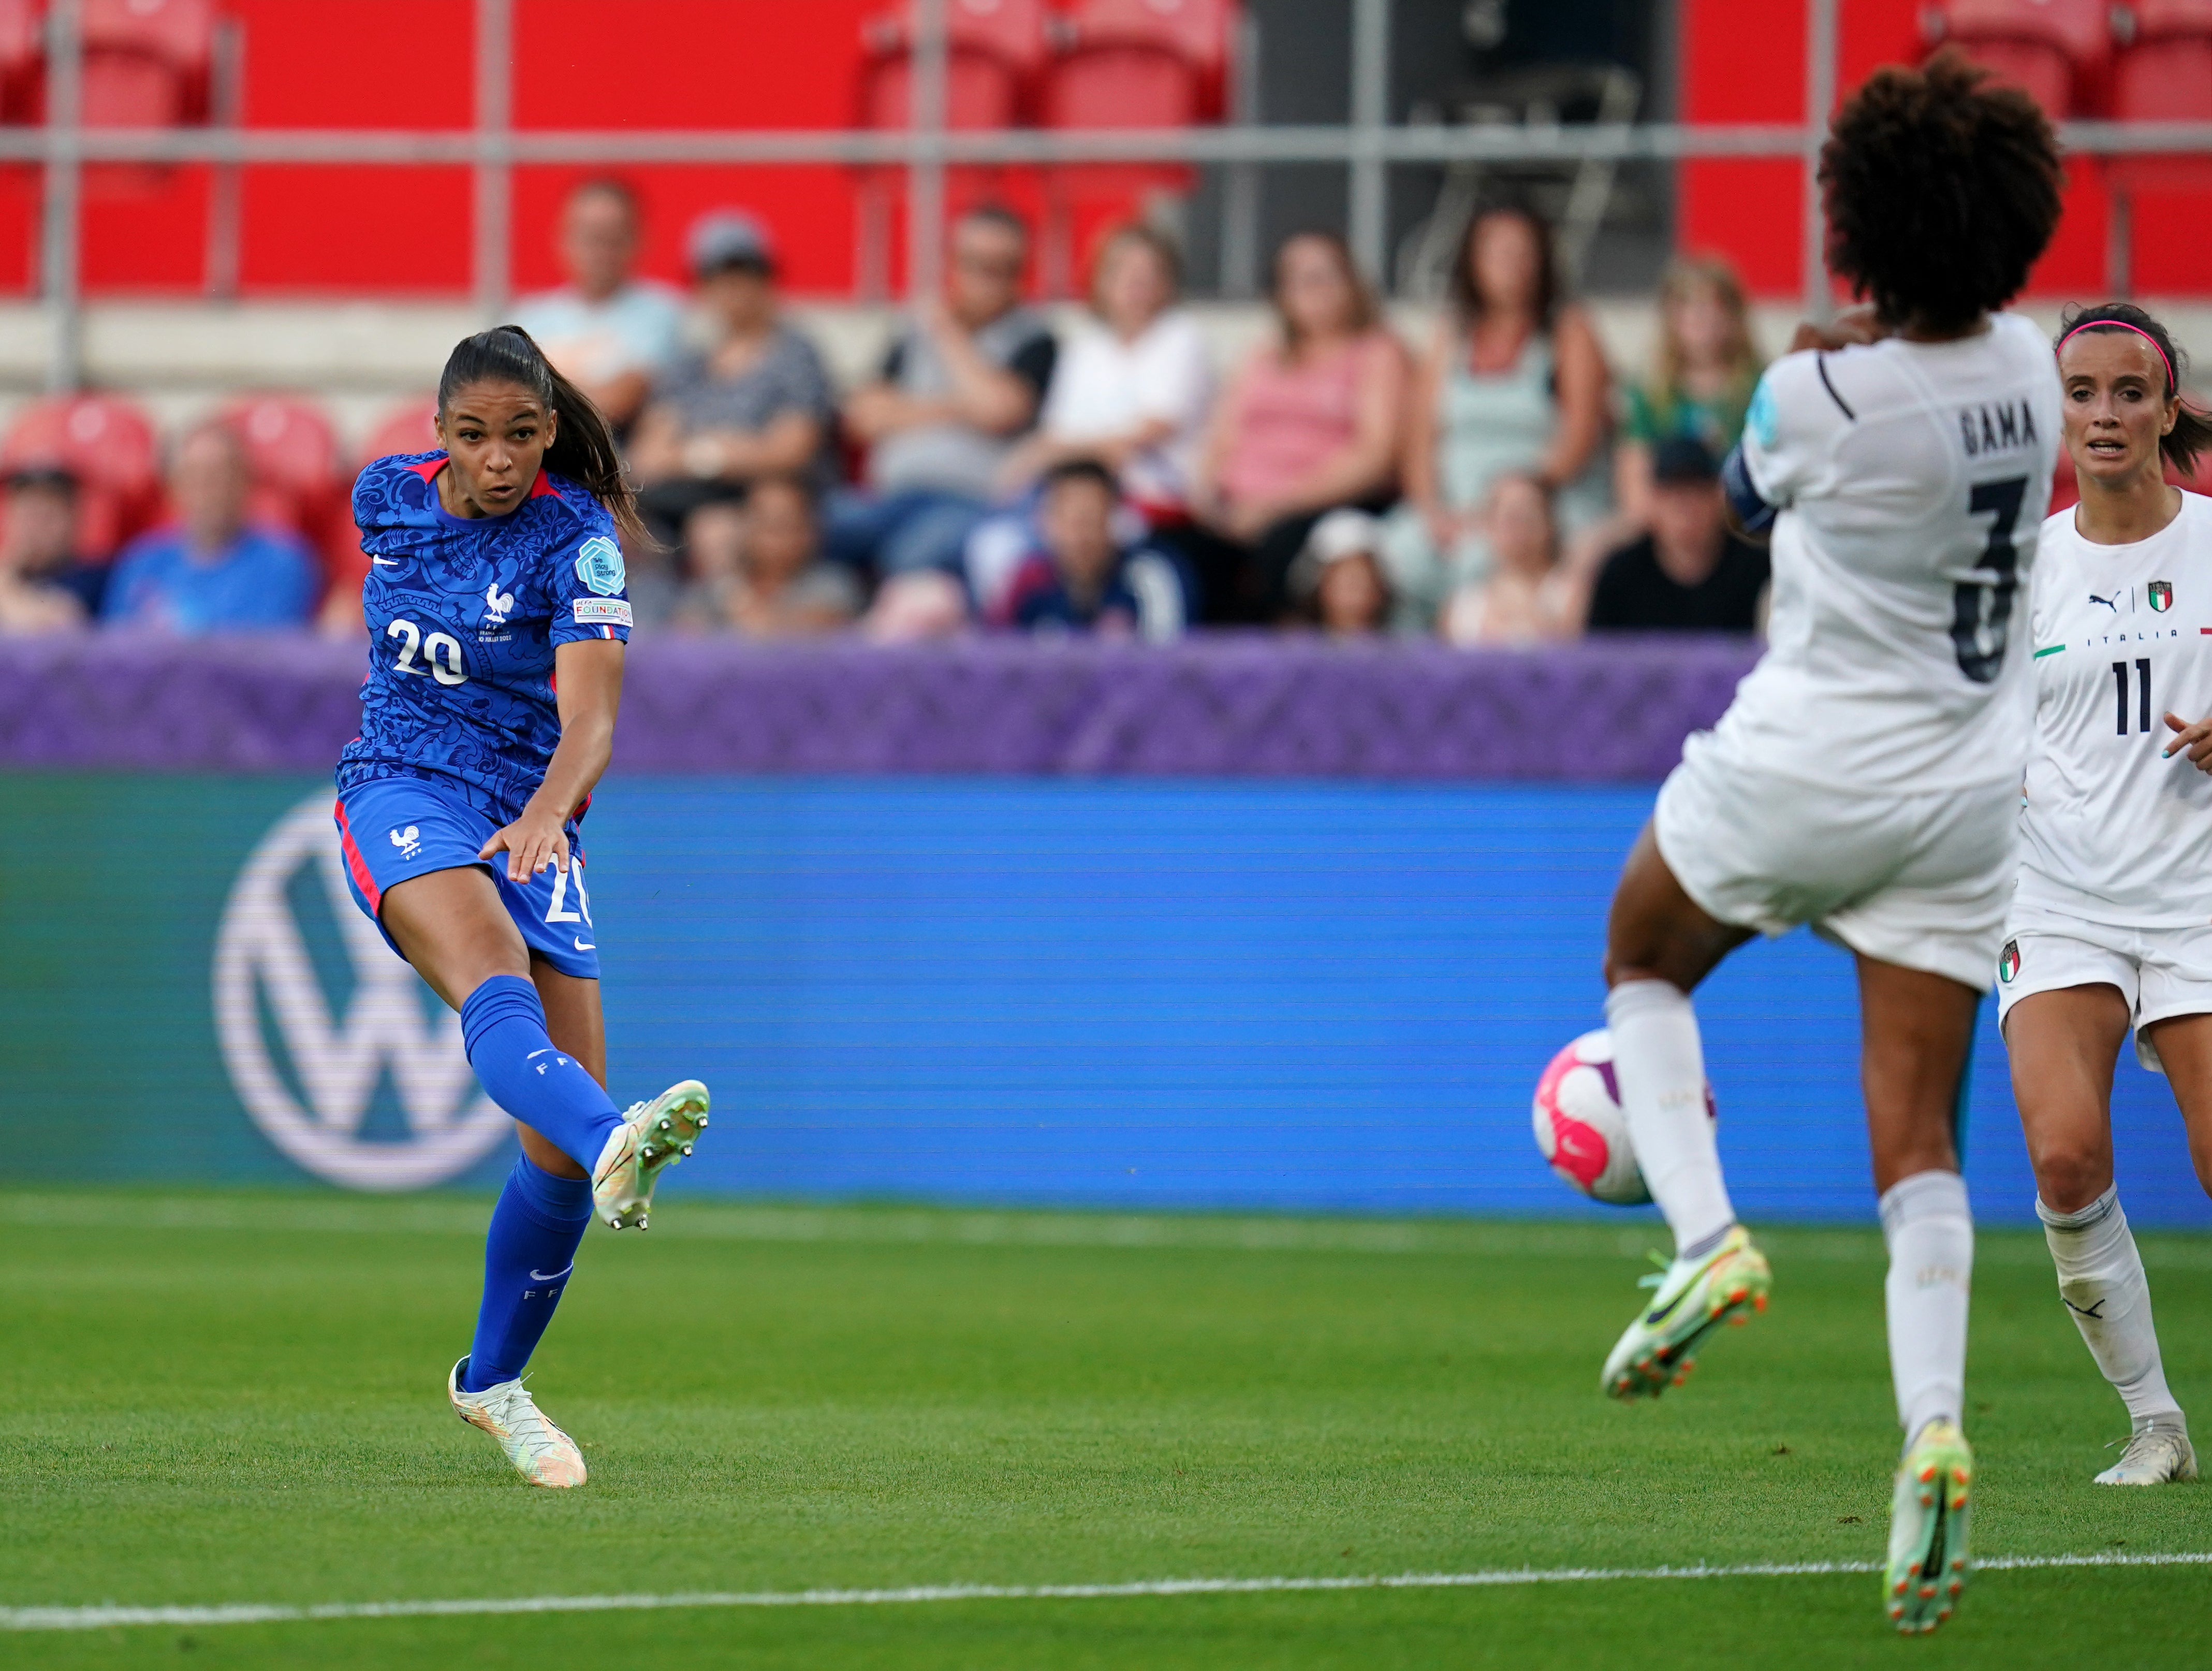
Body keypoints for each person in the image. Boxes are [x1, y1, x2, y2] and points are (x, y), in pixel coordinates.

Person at [1588, 53, 2062, 1634]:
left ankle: (1706, 1235)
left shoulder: (1811, 391)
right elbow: (1947, 379)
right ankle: (1929, 1428)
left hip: (1806, 760)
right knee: (1913, 1134)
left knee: (1641, 954)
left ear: (1855, 225)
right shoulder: (2030, 365)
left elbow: (1731, 502)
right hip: (1963, 791)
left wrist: (1813, 362)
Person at [338, 325, 710, 1490]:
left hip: (532, 811)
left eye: (520, 434)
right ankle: (620, 1140)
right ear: (437, 433)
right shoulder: (383, 499)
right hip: (401, 788)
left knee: (546, 1154)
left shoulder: (577, 542)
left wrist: (552, 810)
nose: (496, 458)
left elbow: (593, 721)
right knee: (497, 980)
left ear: (550, 432)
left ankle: (492, 1383)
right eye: (471, 435)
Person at [1997, 302, 2212, 1490]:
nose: (2103, 415)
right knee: (2066, 1158)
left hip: (2199, 891)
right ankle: (2155, 1424)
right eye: (2080, 394)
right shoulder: (2021, 571)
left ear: (2166, 407)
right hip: (2061, 894)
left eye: (2127, 393)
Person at [1381, 201, 1610, 628]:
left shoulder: (1569, 329)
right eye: (1497, 253)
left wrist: (1506, 504)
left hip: (1542, 504)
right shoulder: (1449, 336)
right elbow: (1418, 440)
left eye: (1522, 253)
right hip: (1456, 508)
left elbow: (1578, 438)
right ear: (1472, 262)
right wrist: (1433, 510)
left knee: (1479, 559)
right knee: (1397, 553)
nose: (1511, 266)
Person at [1186, 231, 1405, 620]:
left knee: (1282, 549)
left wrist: (1274, 506)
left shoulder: (1377, 352)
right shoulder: (1262, 355)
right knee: (1188, 554)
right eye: (1300, 279)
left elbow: (1375, 456)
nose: (1314, 290)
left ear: (1352, 284)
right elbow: (1222, 437)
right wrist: (1205, 498)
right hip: (1241, 508)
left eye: (1325, 276)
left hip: (1325, 505)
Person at [832, 205, 1058, 577]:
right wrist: (962, 408)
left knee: (910, 556)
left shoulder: (1035, 339)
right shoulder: (913, 333)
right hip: (889, 496)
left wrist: (948, 333)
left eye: (1001, 267)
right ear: (951, 263)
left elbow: (1000, 412)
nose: (987, 279)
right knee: (807, 531)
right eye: (975, 263)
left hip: (971, 502)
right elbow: (862, 417)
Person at [628, 211, 837, 559]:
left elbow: (789, 451)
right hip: (682, 497)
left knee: (719, 529)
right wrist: (719, 454)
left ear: (767, 278)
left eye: (745, 273)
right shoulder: (689, 364)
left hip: (769, 502)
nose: (733, 288)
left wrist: (697, 454)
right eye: (718, 276)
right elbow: (649, 455)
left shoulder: (795, 354)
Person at [998, 224, 1211, 519]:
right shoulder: (1085, 348)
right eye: (1124, 269)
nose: (1138, 281)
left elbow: (1150, 431)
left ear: (1168, 282)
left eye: (1151, 271)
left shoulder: (1180, 335)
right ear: (1100, 280)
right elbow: (1058, 432)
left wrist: (1054, 454)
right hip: (1076, 490)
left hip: (1154, 497)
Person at [101, 425, 317, 633]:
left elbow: (266, 657)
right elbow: (117, 651)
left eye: (223, 475)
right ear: (174, 487)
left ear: (246, 483)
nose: (211, 489)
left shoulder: (283, 565)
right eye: (197, 476)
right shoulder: (140, 563)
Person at [509, 179, 685, 434]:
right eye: (590, 236)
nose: (600, 250)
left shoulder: (663, 314)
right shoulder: (529, 318)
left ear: (637, 239)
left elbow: (620, 401)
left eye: (612, 237)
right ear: (563, 239)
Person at [1614, 256, 1764, 530]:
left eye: (1713, 307)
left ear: (1734, 317)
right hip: (1664, 529)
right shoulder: (1650, 393)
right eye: (1688, 308)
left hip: (1740, 530)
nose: (1701, 318)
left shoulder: (1762, 389)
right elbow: (1635, 487)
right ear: (1670, 320)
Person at [992, 458, 1193, 641]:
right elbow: (999, 654)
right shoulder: (1028, 580)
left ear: (1115, 518)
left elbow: (1169, 657)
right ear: (1045, 521)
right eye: (1070, 522)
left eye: (1092, 520)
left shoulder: (1151, 574)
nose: (1081, 536)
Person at [1585, 438, 1769, 633]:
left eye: (1698, 491)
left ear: (1718, 497)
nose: (1686, 507)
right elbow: (1597, 654)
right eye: (1673, 493)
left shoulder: (1755, 571)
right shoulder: (1619, 577)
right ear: (1654, 500)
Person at [672, 475, 859, 637]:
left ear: (811, 532)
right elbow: (685, 635)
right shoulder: (712, 589)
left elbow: (812, 630)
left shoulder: (833, 584)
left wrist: (739, 607)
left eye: (788, 526)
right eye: (767, 526)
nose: (778, 539)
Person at [1438, 473, 1581, 646]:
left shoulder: (1572, 594)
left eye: (1528, 514)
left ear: (1550, 523)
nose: (1518, 525)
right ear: (1487, 525)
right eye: (1508, 515)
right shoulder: (1462, 606)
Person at [0, 464, 98, 633]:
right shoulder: (12, 573)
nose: (36, 527)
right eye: (28, 514)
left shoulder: (91, 577)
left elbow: (59, 622)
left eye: (48, 514)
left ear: (74, 520)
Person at [1287, 508, 1393, 637]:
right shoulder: (1296, 644)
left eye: (1363, 580)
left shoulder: (1404, 644)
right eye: (1345, 581)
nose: (1355, 591)